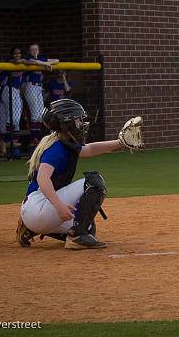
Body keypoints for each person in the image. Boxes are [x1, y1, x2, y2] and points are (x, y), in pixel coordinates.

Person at [16, 98, 141, 250]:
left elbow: (89, 149)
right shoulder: (56, 148)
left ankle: (30, 229)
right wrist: (60, 206)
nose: (82, 124)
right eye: (78, 120)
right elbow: (43, 178)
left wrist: (120, 143)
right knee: (94, 181)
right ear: (66, 122)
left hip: (36, 214)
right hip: (38, 207)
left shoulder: (63, 143)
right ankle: (76, 237)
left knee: (88, 228)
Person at [22, 43, 59, 153]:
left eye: (36, 49)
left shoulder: (42, 58)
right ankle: (34, 140)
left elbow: (57, 60)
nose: (34, 51)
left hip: (38, 88)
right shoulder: (28, 58)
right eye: (32, 50)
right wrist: (45, 64)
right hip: (30, 86)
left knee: (40, 115)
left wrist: (46, 63)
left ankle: (35, 139)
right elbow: (33, 62)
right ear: (29, 51)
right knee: (35, 114)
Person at [0, 47, 25, 159]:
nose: (17, 55)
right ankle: (6, 141)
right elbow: (0, 79)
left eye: (19, 53)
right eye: (15, 53)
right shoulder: (8, 63)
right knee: (13, 119)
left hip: (17, 91)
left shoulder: (23, 64)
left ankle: (12, 143)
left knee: (16, 120)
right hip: (8, 90)